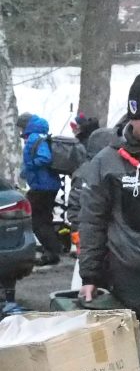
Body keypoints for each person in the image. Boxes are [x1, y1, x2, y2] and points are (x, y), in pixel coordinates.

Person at [77, 74, 140, 371]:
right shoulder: (107, 163)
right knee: (139, 353)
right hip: (130, 273)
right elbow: (92, 220)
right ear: (133, 121)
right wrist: (90, 275)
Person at [20, 114, 64, 266]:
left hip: (42, 187)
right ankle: (53, 250)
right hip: (46, 185)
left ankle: (52, 251)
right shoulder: (41, 136)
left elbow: (45, 158)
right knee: (43, 219)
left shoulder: (34, 138)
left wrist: (30, 166)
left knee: (37, 221)